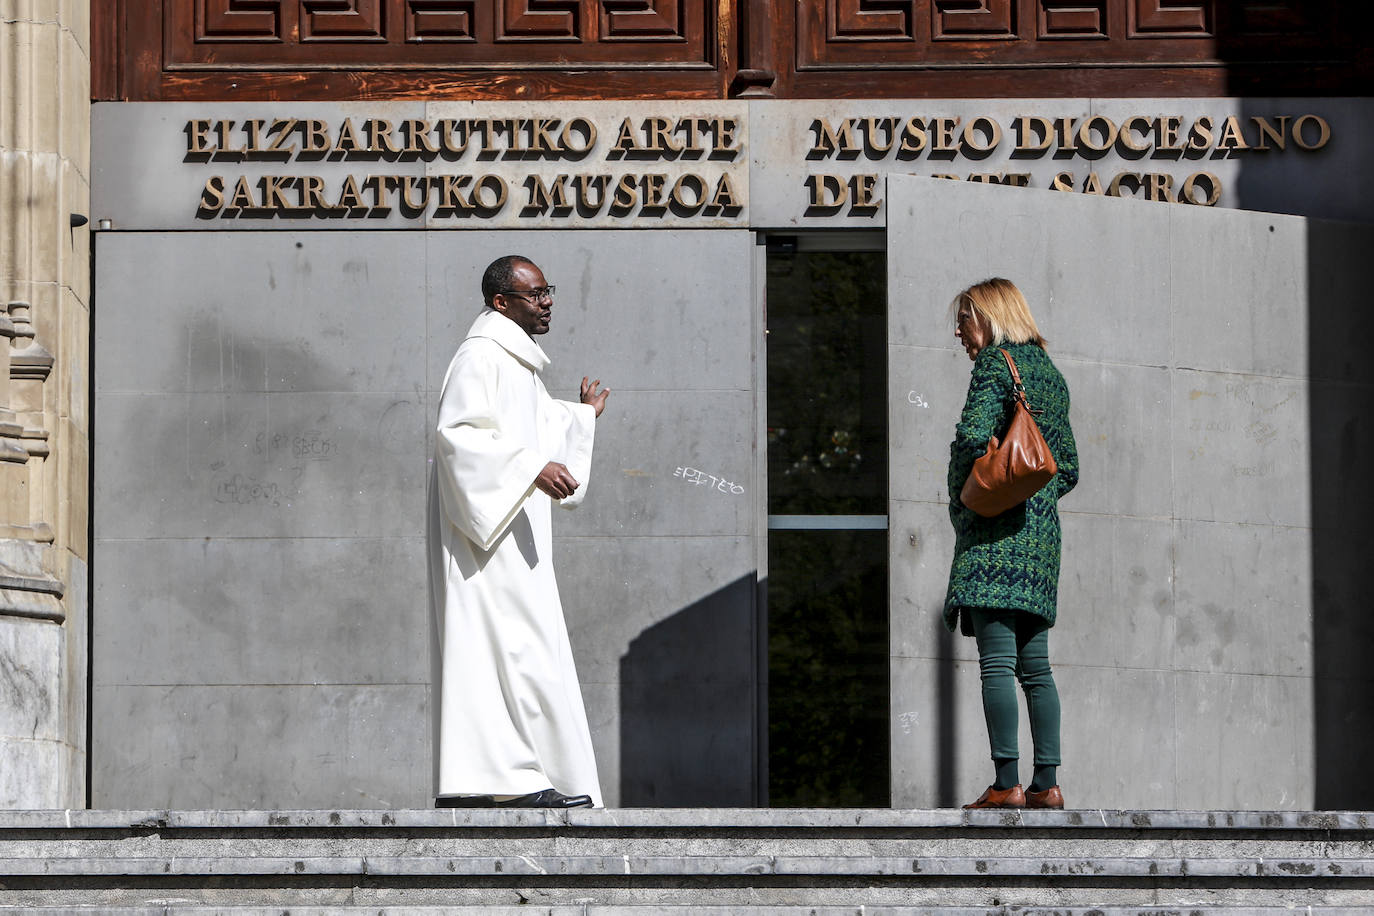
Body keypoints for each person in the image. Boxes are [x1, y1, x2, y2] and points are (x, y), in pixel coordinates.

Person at [426, 254, 610, 809]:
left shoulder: (515, 365)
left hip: (513, 535)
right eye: (535, 294)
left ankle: (530, 773)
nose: (547, 301)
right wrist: (532, 466)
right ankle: (494, 781)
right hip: (486, 539)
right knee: (497, 647)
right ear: (500, 303)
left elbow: (530, 423)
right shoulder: (479, 357)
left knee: (528, 650)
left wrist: (579, 419)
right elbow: (457, 436)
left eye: (548, 291)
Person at [943, 278, 1079, 810]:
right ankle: (1047, 784)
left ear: (992, 318)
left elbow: (973, 439)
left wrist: (966, 498)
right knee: (1036, 668)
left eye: (966, 320)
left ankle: (1006, 784)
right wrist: (1033, 499)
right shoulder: (1052, 374)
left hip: (996, 538)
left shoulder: (994, 366)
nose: (960, 333)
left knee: (996, 664)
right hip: (1041, 542)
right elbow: (1066, 469)